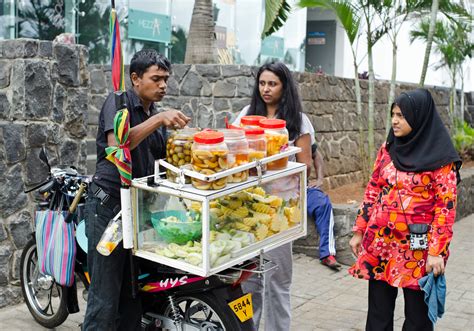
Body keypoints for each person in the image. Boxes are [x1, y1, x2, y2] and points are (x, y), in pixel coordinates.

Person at [83, 49, 190, 330]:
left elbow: (161, 163)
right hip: (108, 210)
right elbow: (119, 145)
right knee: (104, 297)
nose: (163, 85)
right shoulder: (118, 102)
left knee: (132, 295)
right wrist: (159, 119)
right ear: (135, 78)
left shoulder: (156, 116)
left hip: (137, 210)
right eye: (156, 78)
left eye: (166, 79)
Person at [348, 88, 461, 331]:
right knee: (378, 316)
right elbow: (373, 189)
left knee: (418, 320)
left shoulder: (441, 160)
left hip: (419, 251)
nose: (395, 121)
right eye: (393, 114)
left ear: (419, 117)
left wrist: (436, 252)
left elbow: (446, 207)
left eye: (402, 115)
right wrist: (359, 229)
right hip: (382, 245)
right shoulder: (389, 149)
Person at [233, 61, 313, 331]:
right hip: (249, 208)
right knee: (248, 280)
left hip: (281, 212)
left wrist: (276, 161)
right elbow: (233, 151)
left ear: (284, 86)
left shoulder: (299, 121)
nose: (266, 89)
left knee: (277, 280)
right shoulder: (246, 114)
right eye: (262, 83)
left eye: (273, 84)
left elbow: (305, 166)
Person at [307, 144, 341, 270]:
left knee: (323, 204)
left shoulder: (302, 127)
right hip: (275, 189)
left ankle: (327, 254)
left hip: (302, 188)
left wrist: (319, 179)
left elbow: (316, 154)